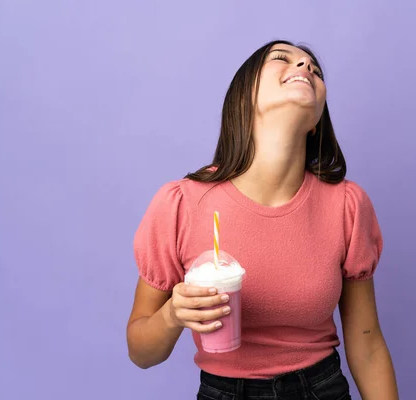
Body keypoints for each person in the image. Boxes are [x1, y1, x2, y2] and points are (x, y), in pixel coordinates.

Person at [126, 39, 399, 399]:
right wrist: (172, 315)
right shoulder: (181, 203)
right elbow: (141, 353)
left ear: (316, 122)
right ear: (242, 99)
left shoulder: (347, 205)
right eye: (282, 59)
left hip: (322, 388)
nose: (305, 68)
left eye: (314, 69)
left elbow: (367, 347)